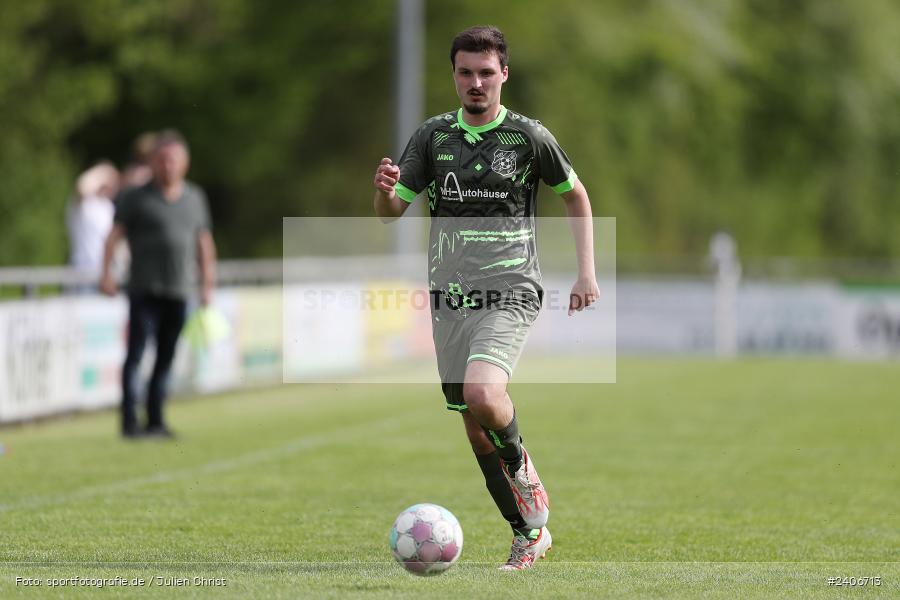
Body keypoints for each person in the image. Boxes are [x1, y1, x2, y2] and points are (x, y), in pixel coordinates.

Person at [373, 26, 600, 570]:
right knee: (475, 424)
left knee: (483, 392)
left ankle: (526, 474)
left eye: (485, 72)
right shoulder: (430, 137)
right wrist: (383, 194)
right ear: (453, 75)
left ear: (503, 74)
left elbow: (576, 197)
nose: (475, 82)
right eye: (465, 72)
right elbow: (392, 213)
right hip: (449, 297)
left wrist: (586, 273)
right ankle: (528, 533)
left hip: (511, 287)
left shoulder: (528, 138)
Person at [100, 130, 217, 439]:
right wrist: (107, 274)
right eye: (162, 160)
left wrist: (207, 284)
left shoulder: (194, 198)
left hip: (179, 290)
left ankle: (156, 419)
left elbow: (204, 244)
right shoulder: (136, 197)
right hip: (144, 289)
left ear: (185, 163)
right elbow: (113, 236)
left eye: (173, 160)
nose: (168, 166)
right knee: (136, 355)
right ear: (152, 162)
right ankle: (129, 422)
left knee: (166, 357)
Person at [66, 161, 119, 287]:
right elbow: (81, 186)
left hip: (107, 274)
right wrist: (103, 171)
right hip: (81, 274)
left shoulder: (108, 207)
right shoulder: (83, 204)